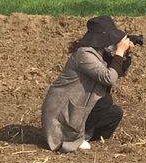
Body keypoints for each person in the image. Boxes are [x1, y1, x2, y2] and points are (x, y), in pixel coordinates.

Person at [41, 16, 135, 152]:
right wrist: (119, 52)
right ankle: (72, 139)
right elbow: (109, 78)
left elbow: (117, 72)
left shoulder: (99, 53)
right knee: (104, 101)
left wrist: (126, 54)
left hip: (77, 108)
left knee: (114, 114)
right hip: (61, 114)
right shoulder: (84, 54)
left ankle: (84, 136)